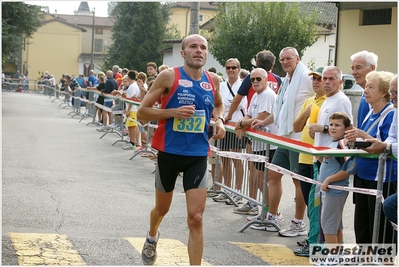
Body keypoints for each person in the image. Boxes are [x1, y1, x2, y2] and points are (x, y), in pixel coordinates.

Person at [137, 34, 225, 266]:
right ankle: (152, 236)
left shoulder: (212, 79)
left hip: (197, 155)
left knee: (196, 218)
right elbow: (142, 113)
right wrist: (172, 112)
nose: (199, 50)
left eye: (203, 47)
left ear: (207, 53)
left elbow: (218, 104)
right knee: (161, 210)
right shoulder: (169, 76)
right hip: (169, 153)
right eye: (193, 47)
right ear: (183, 53)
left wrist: (220, 120)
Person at [252, 47, 314, 236]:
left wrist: (306, 119)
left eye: (289, 58)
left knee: (298, 182)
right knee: (272, 175)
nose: (285, 62)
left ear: (298, 58)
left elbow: (319, 99)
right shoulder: (287, 80)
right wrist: (263, 121)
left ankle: (298, 222)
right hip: (284, 137)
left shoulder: (306, 76)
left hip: (298, 140)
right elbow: (281, 108)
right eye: (282, 59)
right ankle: (272, 216)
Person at [228, 49, 282, 216]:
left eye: (259, 79)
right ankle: (265, 211)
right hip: (259, 144)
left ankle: (273, 213)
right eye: (252, 80)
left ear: (266, 79)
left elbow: (261, 117)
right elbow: (250, 115)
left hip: (270, 145)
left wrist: (239, 122)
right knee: (259, 179)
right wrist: (243, 123)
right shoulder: (257, 94)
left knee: (266, 180)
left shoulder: (267, 94)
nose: (255, 82)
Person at [345, 71, 396, 245]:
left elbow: (385, 145)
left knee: (380, 230)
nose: (365, 90)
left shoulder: (390, 114)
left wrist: (362, 136)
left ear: (383, 92)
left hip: (381, 178)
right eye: (366, 86)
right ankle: (364, 260)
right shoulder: (370, 111)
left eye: (371, 87)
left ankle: (382, 262)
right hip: (363, 175)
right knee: (362, 225)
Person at [292, 66, 326, 256]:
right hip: (303, 158)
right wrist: (305, 114)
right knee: (309, 202)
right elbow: (296, 127)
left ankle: (317, 243)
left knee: (317, 206)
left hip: (317, 159)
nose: (316, 82)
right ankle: (314, 238)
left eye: (319, 79)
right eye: (314, 79)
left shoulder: (328, 102)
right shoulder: (308, 101)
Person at [318, 112, 352, 265]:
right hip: (329, 189)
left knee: (328, 225)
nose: (333, 128)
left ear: (346, 128)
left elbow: (348, 169)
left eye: (337, 125)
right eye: (331, 124)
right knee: (336, 225)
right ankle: (336, 257)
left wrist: (329, 180)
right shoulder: (333, 142)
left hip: (335, 190)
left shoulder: (341, 144)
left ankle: (332, 258)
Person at [212, 58, 245, 206]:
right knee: (224, 158)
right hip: (224, 125)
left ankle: (237, 191)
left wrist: (228, 106)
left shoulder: (243, 85)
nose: (231, 70)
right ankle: (227, 188)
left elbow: (239, 104)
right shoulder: (222, 85)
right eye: (228, 67)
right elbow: (218, 103)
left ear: (238, 69)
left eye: (233, 67)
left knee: (236, 159)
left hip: (237, 126)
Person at [350, 50, 378, 127]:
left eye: (358, 68)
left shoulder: (379, 95)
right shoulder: (364, 93)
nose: (354, 72)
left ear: (372, 68)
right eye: (352, 68)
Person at [122, 70, 141, 150]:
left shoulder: (133, 86)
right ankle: (134, 142)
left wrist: (128, 110)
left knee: (132, 126)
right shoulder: (132, 85)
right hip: (132, 109)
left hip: (132, 109)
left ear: (129, 77)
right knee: (131, 126)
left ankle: (132, 142)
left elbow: (133, 98)